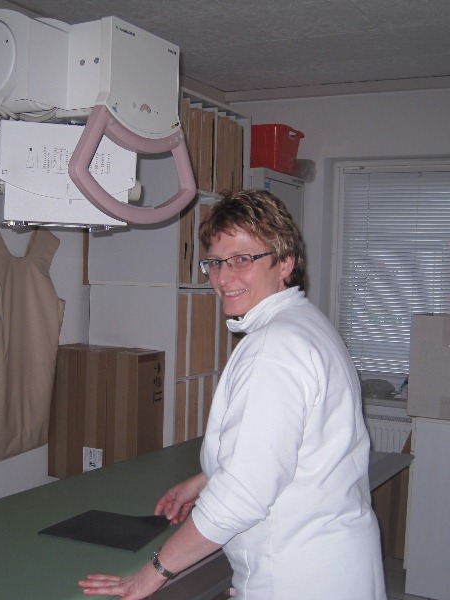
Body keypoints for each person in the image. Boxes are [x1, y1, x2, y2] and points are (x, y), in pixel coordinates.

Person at [79, 190, 386, 599]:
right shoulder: (306, 323)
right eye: (215, 262)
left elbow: (242, 496)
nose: (223, 279)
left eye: (243, 259)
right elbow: (282, 448)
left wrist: (151, 573)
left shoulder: (273, 348)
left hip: (295, 576)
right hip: (337, 563)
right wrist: (205, 480)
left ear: (285, 262)